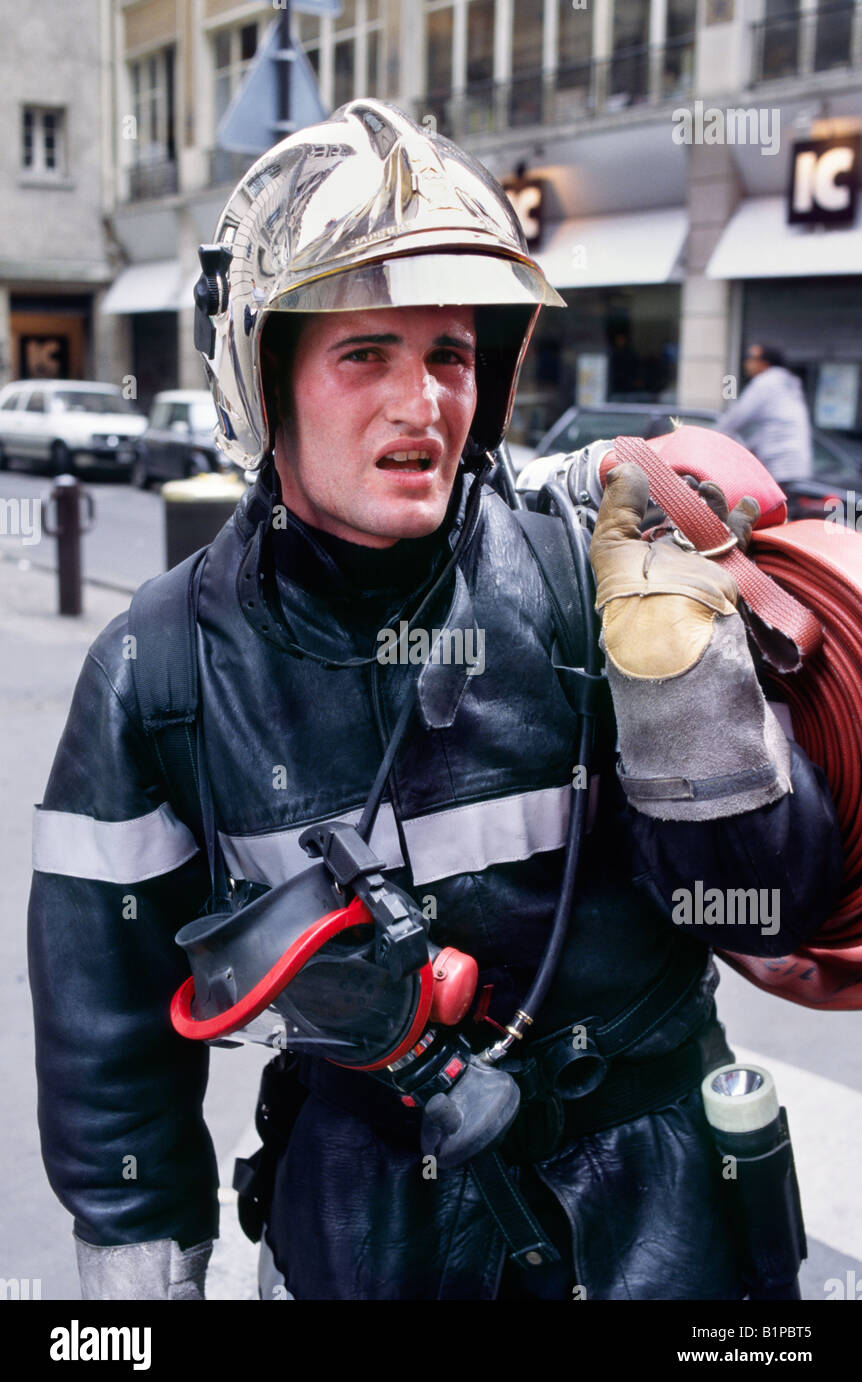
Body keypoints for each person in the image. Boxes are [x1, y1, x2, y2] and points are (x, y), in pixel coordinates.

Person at [29, 101, 840, 1302]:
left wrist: (686, 691)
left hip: (656, 1230)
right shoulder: (158, 669)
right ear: (267, 379)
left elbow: (773, 905)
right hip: (362, 1236)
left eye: (451, 354)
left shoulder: (596, 578)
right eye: (367, 354)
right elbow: (111, 1061)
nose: (425, 402)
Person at [718, 344, 813, 486]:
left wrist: (711, 436)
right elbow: (772, 424)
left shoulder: (766, 382)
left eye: (750, 358)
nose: (746, 363)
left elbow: (737, 417)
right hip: (797, 464)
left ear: (764, 363)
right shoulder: (787, 381)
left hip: (779, 465)